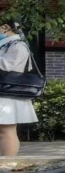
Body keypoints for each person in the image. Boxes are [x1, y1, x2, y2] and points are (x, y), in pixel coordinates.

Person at [0, 24, 39, 157]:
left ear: (5, 27)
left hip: (7, 94)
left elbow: (6, 65)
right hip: (4, 93)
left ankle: (8, 164)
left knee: (6, 130)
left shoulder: (18, 46)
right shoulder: (6, 44)